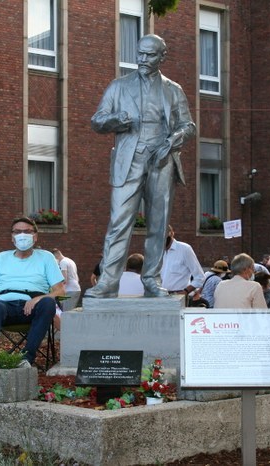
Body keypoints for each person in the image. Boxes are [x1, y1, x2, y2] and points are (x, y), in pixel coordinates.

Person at [84, 34, 196, 298]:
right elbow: (97, 121)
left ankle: (152, 280)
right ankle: (108, 281)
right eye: (140, 54)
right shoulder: (119, 86)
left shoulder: (173, 89)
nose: (143, 59)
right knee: (118, 222)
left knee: (158, 225)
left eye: (150, 55)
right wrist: (116, 120)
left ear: (162, 57)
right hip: (129, 161)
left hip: (162, 160)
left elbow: (188, 126)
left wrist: (171, 142)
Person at [0, 217, 65, 367]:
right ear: (12, 237)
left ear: (35, 236)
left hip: (33, 309)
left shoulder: (46, 257)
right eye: (18, 232)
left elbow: (60, 291)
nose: (22, 235)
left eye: (27, 231)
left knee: (48, 303)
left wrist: (38, 299)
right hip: (5, 306)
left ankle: (26, 358)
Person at [160, 225, 205, 298]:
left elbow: (200, 277)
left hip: (179, 295)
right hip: (162, 296)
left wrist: (185, 292)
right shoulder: (159, 252)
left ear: (171, 234)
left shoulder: (185, 249)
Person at [51, 248, 81, 312]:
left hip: (70, 291)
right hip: (74, 289)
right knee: (60, 303)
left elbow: (64, 280)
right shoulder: (70, 260)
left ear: (56, 255)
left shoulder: (63, 262)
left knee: (66, 312)